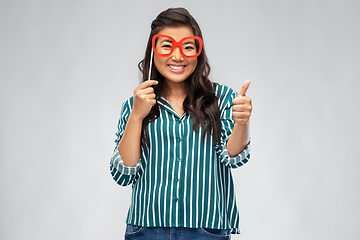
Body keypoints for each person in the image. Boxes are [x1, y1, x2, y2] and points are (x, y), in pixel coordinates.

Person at [110, 7, 252, 240]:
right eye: (167, 46)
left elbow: (232, 157)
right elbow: (124, 173)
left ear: (198, 51)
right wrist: (136, 116)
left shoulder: (223, 98)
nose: (177, 56)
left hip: (206, 229)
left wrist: (243, 122)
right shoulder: (135, 104)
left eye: (187, 46)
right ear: (153, 51)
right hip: (146, 229)